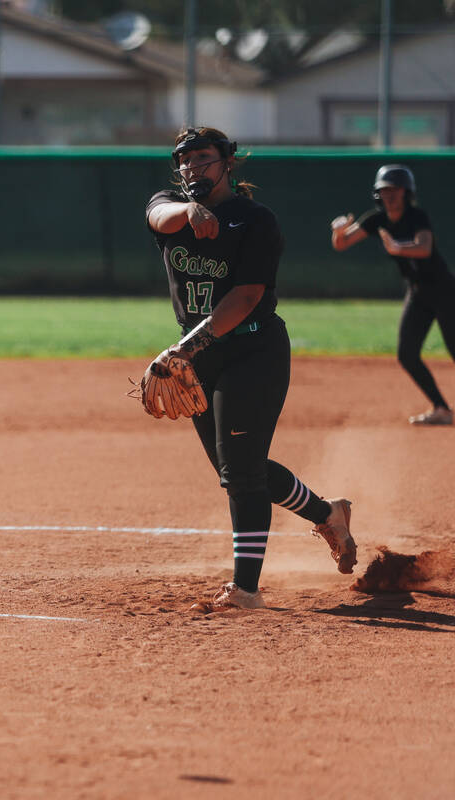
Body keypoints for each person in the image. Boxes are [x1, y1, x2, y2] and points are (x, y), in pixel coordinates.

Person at [143, 126, 357, 611]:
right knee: (240, 467)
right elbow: (158, 214)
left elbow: (245, 298)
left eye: (204, 158)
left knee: (240, 472)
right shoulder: (169, 208)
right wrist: (190, 210)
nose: (193, 168)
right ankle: (330, 514)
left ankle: (245, 589)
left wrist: (184, 349)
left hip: (253, 351)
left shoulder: (256, 220)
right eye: (185, 161)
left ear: (228, 163)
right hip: (200, 360)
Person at [330, 164, 455, 425]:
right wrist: (338, 231)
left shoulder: (416, 216)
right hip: (418, 292)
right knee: (406, 354)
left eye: (395, 190)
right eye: (384, 190)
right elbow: (342, 244)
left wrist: (398, 247)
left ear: (406, 192)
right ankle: (442, 408)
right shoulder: (376, 219)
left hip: (443, 290)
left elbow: (424, 248)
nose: (389, 196)